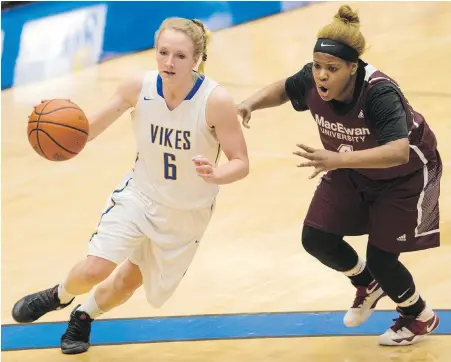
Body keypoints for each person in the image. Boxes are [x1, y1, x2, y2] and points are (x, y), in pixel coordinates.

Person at [12, 17, 249, 354]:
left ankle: (83, 316)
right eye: (163, 52)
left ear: (196, 59)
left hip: (188, 211)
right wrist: (59, 137)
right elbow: (86, 131)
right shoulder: (138, 87)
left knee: (128, 282)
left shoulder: (216, 101)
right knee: (97, 267)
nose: (169, 62)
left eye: (180, 56)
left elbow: (241, 163)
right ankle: (59, 296)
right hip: (140, 194)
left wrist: (217, 174)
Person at [237, 5, 441, 346]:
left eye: (332, 68)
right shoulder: (312, 79)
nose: (321, 75)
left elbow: (398, 151)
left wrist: (336, 159)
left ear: (352, 67)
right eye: (317, 66)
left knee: (382, 257)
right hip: (350, 165)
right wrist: (248, 104)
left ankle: (419, 315)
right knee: (316, 238)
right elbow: (286, 88)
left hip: (408, 175)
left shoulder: (379, 93)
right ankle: (367, 282)